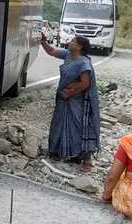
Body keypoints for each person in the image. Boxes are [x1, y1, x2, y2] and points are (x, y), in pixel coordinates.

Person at [40, 33, 100, 171]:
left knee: (77, 127)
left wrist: (70, 92)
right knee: (59, 123)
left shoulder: (83, 63)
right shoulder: (68, 55)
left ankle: (82, 157)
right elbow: (52, 51)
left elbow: (85, 83)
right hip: (63, 99)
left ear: (79, 47)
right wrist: (44, 43)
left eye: (73, 41)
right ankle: (58, 151)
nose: (69, 42)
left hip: (75, 101)